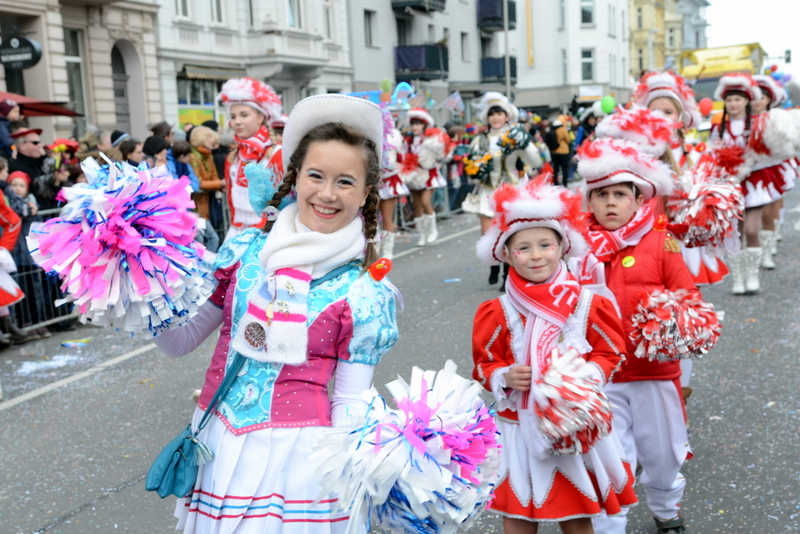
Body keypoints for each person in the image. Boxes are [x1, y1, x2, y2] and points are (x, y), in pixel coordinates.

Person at [153, 93, 400, 533]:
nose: (326, 194)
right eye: (316, 176)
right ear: (296, 178)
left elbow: (348, 401)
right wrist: (145, 291)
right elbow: (181, 342)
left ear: (366, 194)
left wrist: (356, 477)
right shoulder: (246, 253)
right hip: (218, 446)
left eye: (345, 182)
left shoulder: (364, 291)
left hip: (300, 463)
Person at [472, 178, 636, 534]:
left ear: (562, 247)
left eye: (545, 244)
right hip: (518, 424)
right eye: (524, 248)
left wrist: (581, 382)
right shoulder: (496, 310)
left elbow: (613, 352)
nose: (536, 255)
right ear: (506, 255)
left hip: (572, 425)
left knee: (577, 515)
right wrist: (503, 376)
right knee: (517, 517)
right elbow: (483, 364)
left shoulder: (587, 302)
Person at [573, 137, 716, 534]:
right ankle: (609, 524)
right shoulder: (577, 249)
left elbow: (689, 297)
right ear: (590, 202)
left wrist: (671, 322)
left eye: (621, 193)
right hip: (601, 376)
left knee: (664, 455)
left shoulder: (661, 242)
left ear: (639, 201)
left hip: (655, 373)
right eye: (601, 194)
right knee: (609, 457)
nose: (611, 202)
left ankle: (667, 510)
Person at [710, 74, 794, 295]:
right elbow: (713, 156)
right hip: (730, 186)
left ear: (747, 101)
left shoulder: (759, 124)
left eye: (738, 99)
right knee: (735, 234)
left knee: (750, 229)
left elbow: (775, 153)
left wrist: (749, 161)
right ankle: (738, 279)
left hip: (754, 184)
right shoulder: (719, 128)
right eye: (729, 100)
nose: (733, 104)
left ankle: (752, 275)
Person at [218, 77, 283, 241]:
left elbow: (286, 203)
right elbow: (232, 204)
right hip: (237, 234)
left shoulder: (277, 155)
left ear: (261, 117)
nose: (237, 122)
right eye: (233, 116)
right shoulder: (232, 158)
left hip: (268, 236)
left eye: (244, 115)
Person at [750, 74, 794, 270]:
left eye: (762, 97)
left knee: (769, 212)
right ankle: (755, 251)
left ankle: (768, 251)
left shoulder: (777, 118)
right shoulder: (742, 120)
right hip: (748, 173)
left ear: (768, 100)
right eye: (755, 97)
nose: (758, 101)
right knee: (751, 217)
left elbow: (788, 143)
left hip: (771, 170)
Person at [397, 108, 449, 246]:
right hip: (413, 175)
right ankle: (422, 234)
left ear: (424, 125)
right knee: (417, 206)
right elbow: (403, 156)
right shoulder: (408, 140)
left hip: (428, 175)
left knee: (426, 202)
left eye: (418, 124)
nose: (415, 127)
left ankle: (433, 230)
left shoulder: (430, 140)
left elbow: (439, 154)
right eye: (413, 124)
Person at [376, 121, 408, 260]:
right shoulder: (369, 132)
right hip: (371, 181)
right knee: (371, 219)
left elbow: (401, 157)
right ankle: (373, 251)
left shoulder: (394, 134)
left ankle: (387, 252)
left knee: (387, 217)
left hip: (388, 180)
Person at [549, 119, 572, 187]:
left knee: (555, 169)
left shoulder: (552, 130)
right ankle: (565, 184)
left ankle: (556, 183)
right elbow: (568, 140)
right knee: (564, 169)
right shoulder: (563, 129)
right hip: (563, 152)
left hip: (554, 152)